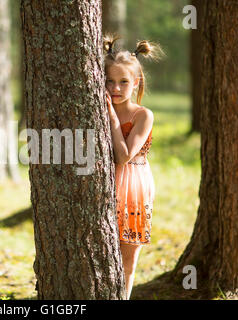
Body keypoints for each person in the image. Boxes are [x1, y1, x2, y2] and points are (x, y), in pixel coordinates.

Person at [104, 34, 163, 299]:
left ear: (136, 83)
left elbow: (125, 156)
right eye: (110, 81)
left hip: (133, 186)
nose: (115, 88)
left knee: (127, 253)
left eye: (123, 82)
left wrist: (113, 120)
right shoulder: (97, 108)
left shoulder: (143, 115)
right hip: (107, 181)